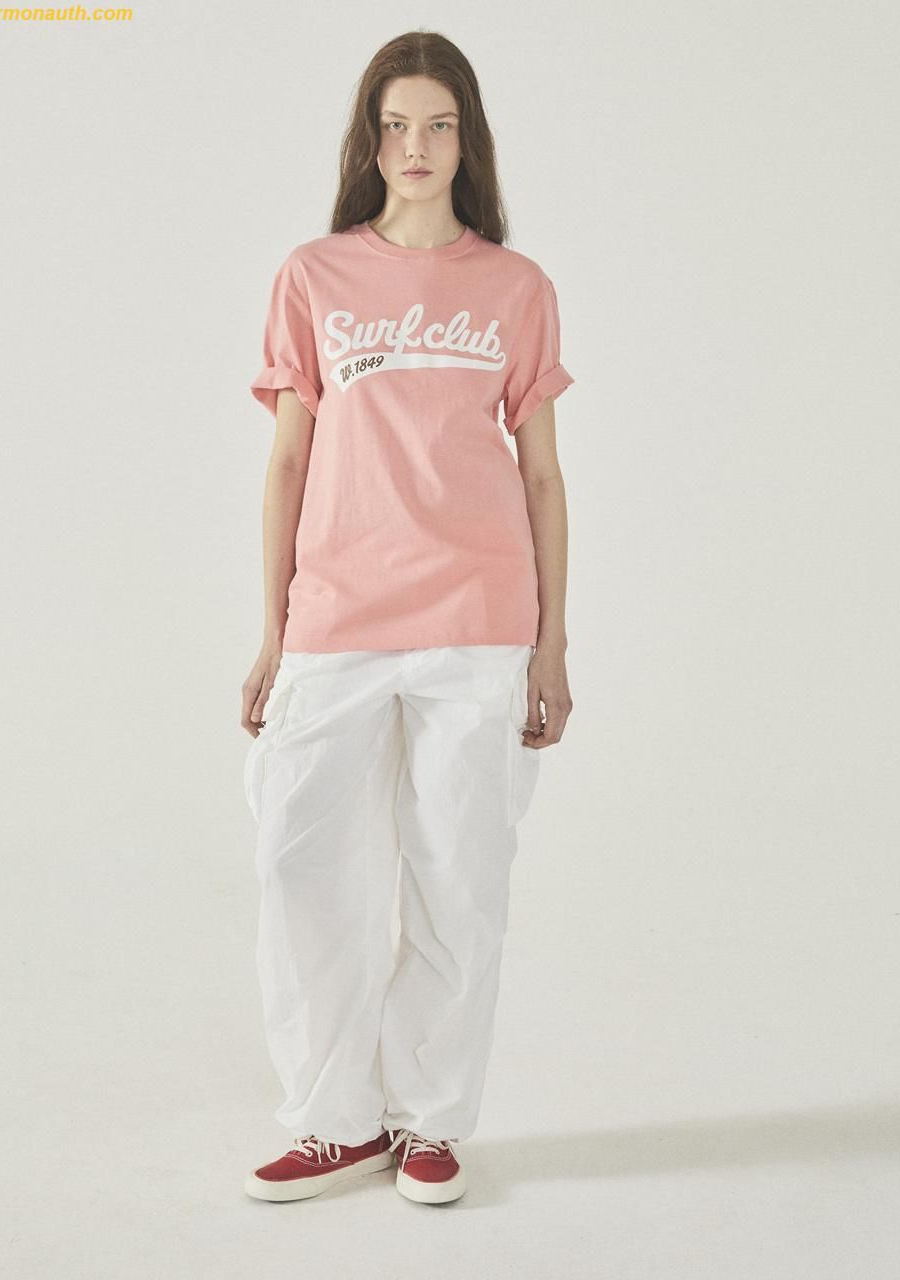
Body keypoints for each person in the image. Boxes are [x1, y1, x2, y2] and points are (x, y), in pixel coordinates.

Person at [240, 30, 575, 1206]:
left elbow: (542, 475)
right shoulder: (315, 276)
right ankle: (334, 1120)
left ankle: (427, 1119)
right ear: (369, 140)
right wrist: (274, 631)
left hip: (478, 622)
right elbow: (289, 462)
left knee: (459, 875)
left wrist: (552, 642)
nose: (416, 147)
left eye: (438, 125)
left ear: (466, 139)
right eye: (396, 125)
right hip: (337, 616)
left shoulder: (516, 288)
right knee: (302, 865)